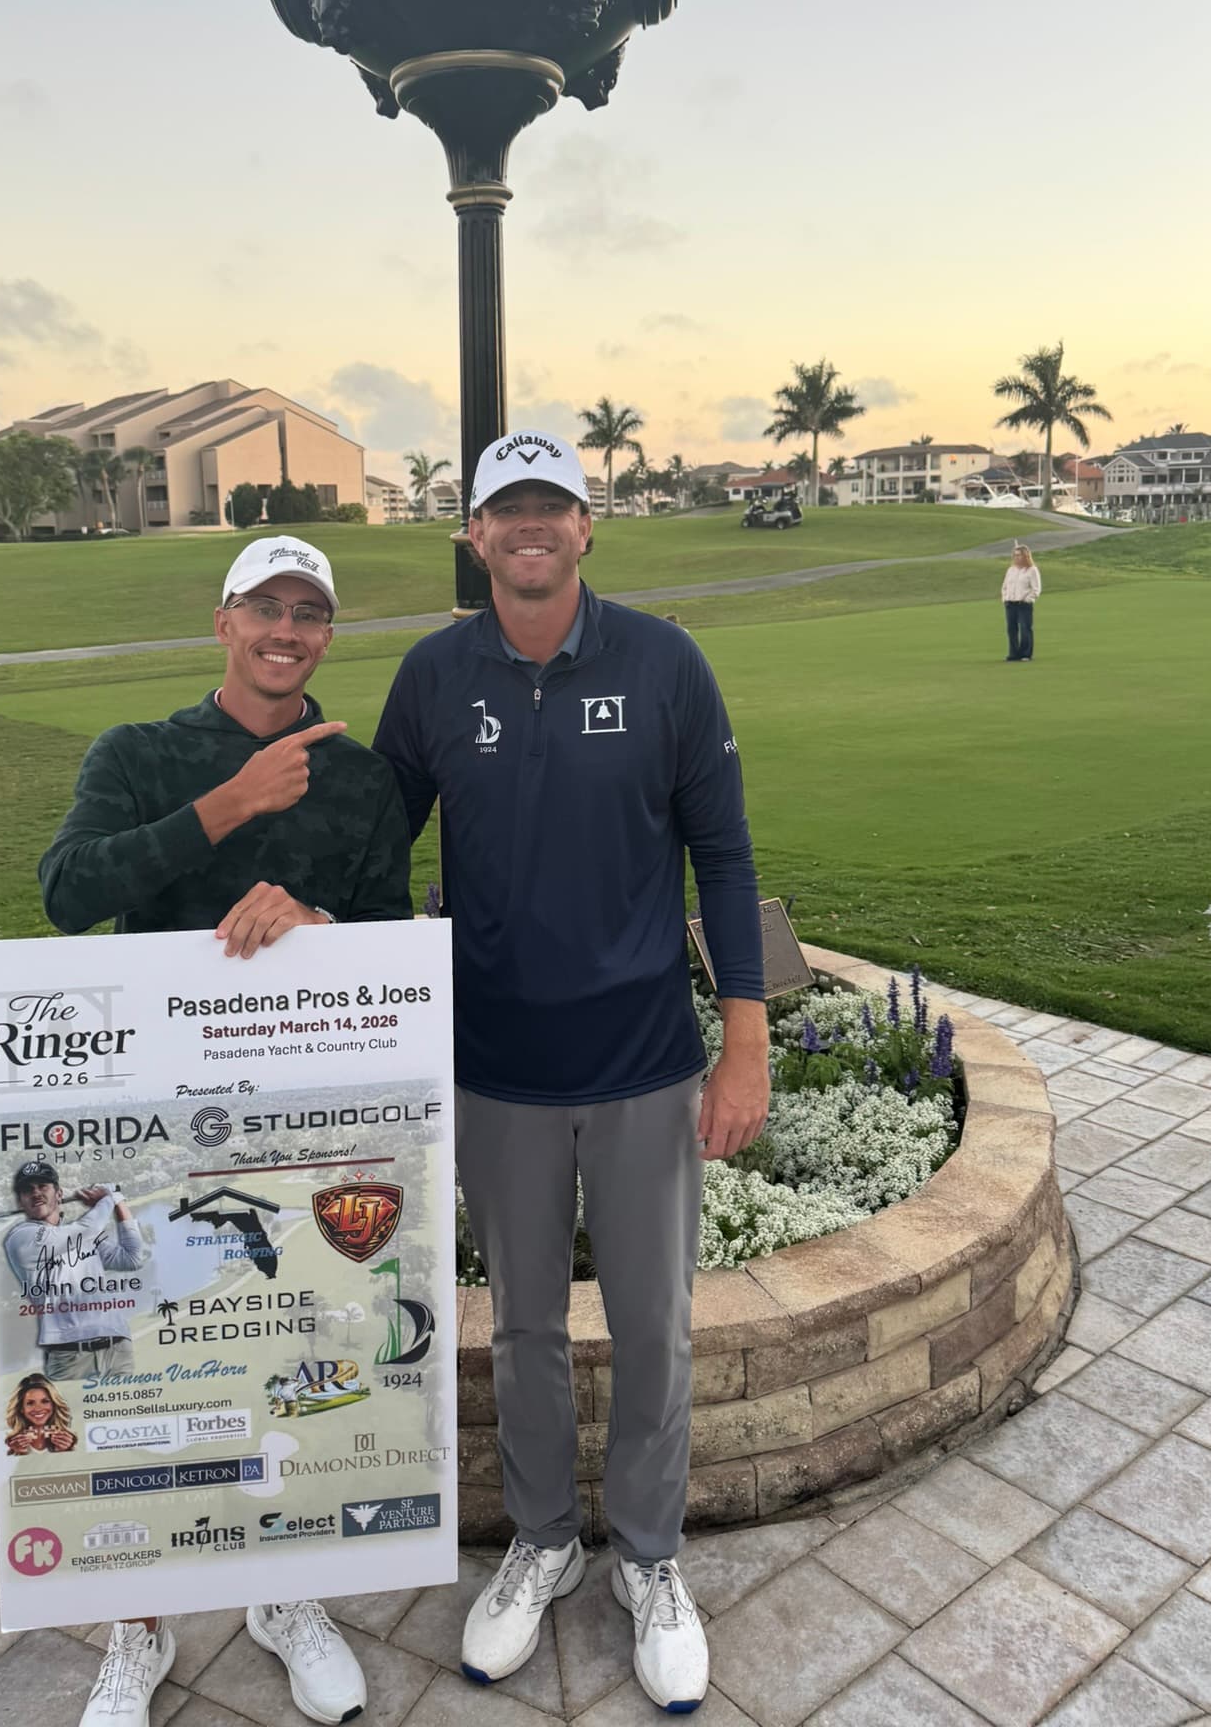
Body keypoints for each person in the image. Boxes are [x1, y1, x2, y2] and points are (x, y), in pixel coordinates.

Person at [372, 432, 769, 1714]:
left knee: (654, 1326)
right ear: (475, 534)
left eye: (553, 505)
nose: (530, 525)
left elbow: (724, 853)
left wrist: (745, 1037)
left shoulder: (663, 663)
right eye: (508, 508)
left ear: (588, 526)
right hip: (498, 1067)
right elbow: (370, 842)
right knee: (526, 1327)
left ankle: (649, 1556)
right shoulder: (434, 676)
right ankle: (543, 1538)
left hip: (644, 1059)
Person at [38, 535, 413, 1727]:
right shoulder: (139, 753)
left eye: (309, 612)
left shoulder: (362, 779)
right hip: (149, 1125)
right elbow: (67, 889)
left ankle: (281, 1590)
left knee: (284, 1354)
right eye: (265, 606)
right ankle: (139, 1622)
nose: (285, 629)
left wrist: (318, 919)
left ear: (327, 635)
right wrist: (230, 804)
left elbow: (389, 927)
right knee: (139, 1371)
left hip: (295, 1114)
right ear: (224, 620)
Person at [2, 1159, 146, 1380]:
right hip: (68, 1354)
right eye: (27, 1190)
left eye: (43, 1186)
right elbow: (87, 1229)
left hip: (117, 1347)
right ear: (21, 1202)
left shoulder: (82, 1236)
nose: (36, 1193)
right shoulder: (21, 1237)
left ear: (59, 1194)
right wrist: (108, 1198)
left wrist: (119, 1202)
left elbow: (132, 1258)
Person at [5, 1372, 77, 1455]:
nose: (38, 1408)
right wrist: (19, 1453)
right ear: (21, 1408)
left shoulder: (67, 1439)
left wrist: (64, 1451)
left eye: (45, 1401)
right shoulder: (10, 1441)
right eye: (30, 1403)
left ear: (54, 1404)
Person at [1002, 542, 1042, 661]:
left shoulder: (1032, 570)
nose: (1016, 557)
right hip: (1010, 603)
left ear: (1025, 556)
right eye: (1015, 555)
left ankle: (1025, 654)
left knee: (1025, 629)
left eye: (1019, 555)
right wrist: (1005, 598)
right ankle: (1013, 654)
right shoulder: (1011, 570)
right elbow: (1005, 586)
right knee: (1011, 629)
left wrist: (1027, 599)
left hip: (1023, 604)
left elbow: (1036, 589)